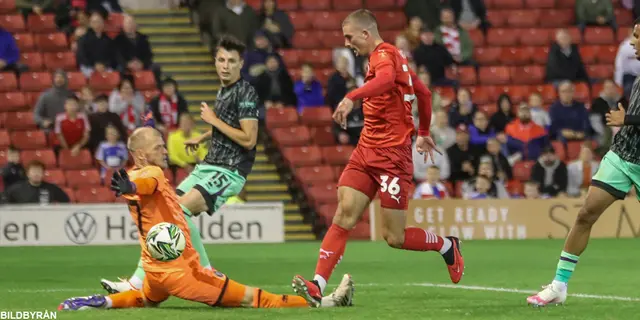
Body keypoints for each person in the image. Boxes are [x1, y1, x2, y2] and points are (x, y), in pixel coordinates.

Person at [59, 127, 354, 311]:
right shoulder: (152, 174)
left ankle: (101, 302)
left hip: (155, 272)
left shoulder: (136, 176)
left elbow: (140, 188)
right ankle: (326, 302)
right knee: (258, 299)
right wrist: (133, 187)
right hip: (182, 273)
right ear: (139, 154)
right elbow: (147, 184)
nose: (164, 150)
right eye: (158, 146)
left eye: (163, 144)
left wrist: (129, 188)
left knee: (145, 299)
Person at [291, 9, 464, 307]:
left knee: (394, 237)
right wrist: (423, 130)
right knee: (344, 214)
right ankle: (318, 284)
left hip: (393, 158)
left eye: (349, 37)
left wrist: (351, 97)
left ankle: (446, 245)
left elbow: (384, 81)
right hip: (366, 150)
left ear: (366, 34)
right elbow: (422, 94)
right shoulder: (398, 60)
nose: (346, 44)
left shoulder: (384, 56)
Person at [99, 36, 263, 294]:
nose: (225, 65)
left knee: (181, 212)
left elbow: (249, 139)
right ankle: (141, 280)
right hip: (210, 164)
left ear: (241, 64)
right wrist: (204, 135)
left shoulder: (245, 92)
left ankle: (204, 272)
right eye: (221, 60)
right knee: (164, 213)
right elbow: (229, 125)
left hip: (229, 169)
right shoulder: (224, 90)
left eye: (232, 61)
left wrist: (212, 120)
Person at [527, 20, 640, 307]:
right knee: (586, 214)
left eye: (637, 37)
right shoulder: (636, 75)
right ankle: (558, 285)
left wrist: (626, 120)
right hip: (622, 155)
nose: (632, 43)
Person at [3, 160, 69, 204]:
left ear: (43, 174)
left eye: (39, 172)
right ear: (27, 174)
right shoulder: (16, 189)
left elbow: (66, 201)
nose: (36, 174)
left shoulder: (51, 188)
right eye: (34, 171)